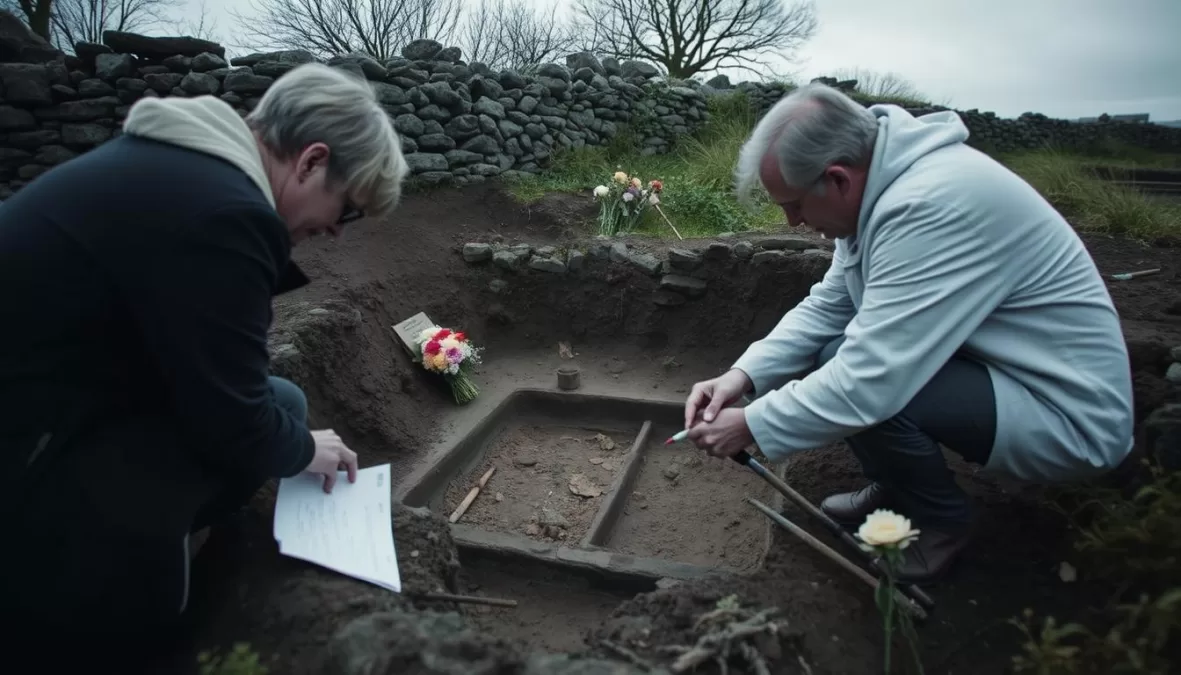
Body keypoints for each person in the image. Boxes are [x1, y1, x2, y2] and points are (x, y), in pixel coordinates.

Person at [0, 62, 409, 657]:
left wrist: (288, 437)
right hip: (27, 442)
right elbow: (231, 420)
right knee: (272, 432)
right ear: (312, 161)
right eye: (346, 209)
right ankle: (116, 611)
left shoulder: (187, 165)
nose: (337, 233)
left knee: (287, 402)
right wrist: (300, 450)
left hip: (61, 393)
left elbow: (218, 378)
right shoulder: (225, 214)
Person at [683, 83, 1134, 583]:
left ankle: (942, 521)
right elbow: (830, 306)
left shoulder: (929, 205)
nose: (793, 221)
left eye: (794, 204)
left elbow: (873, 379)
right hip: (1003, 370)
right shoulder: (883, 189)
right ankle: (898, 485)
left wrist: (751, 424)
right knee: (833, 350)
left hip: (1067, 411)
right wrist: (742, 377)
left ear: (837, 179)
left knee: (858, 376)